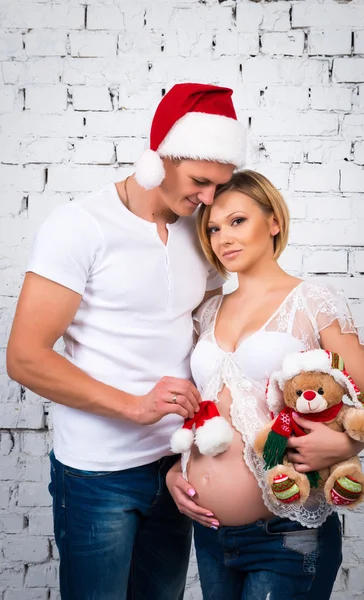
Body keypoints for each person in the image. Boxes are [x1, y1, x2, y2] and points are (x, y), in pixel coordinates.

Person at [6, 83, 247, 600]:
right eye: (201, 182)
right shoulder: (80, 226)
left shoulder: (198, 232)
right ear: (160, 157)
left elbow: (209, 335)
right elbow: (25, 358)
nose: (209, 200)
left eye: (218, 186)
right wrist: (133, 406)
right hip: (99, 472)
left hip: (179, 466)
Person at [166, 170, 364, 600]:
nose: (222, 238)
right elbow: (203, 408)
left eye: (237, 221)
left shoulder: (313, 300)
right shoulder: (207, 310)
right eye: (213, 228)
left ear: (273, 222)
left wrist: (347, 446)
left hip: (285, 535)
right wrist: (178, 472)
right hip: (211, 537)